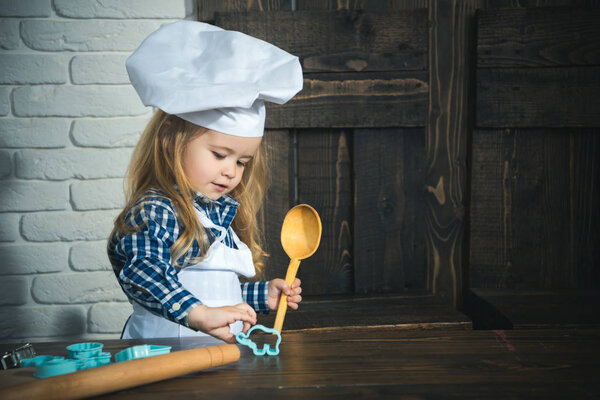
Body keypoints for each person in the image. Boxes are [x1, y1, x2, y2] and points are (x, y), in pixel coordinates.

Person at [107, 20, 304, 342]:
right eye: (219, 155)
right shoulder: (156, 211)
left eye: (242, 162)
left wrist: (259, 297)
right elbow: (145, 273)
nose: (231, 171)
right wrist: (197, 315)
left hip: (219, 356)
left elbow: (208, 287)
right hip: (164, 352)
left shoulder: (215, 215)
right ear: (172, 139)